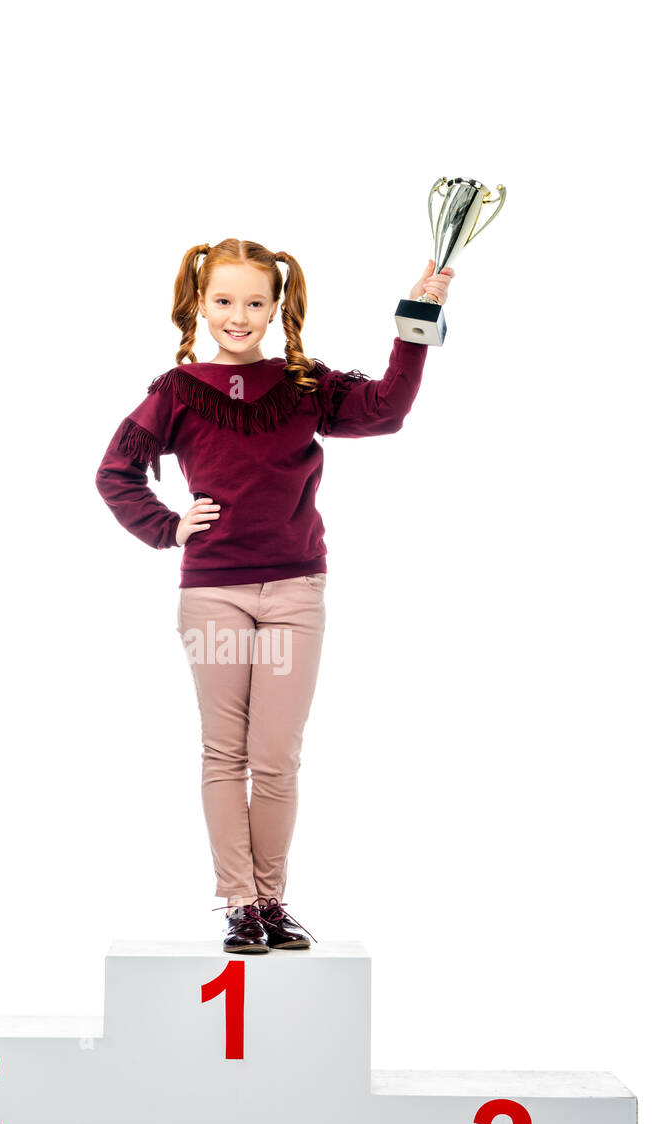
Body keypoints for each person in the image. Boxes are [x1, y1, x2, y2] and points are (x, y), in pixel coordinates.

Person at [96, 240, 453, 954]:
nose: (238, 316)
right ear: (200, 304)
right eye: (223, 301)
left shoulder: (301, 382)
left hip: (294, 590)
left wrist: (416, 321)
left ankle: (270, 899)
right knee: (223, 752)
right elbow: (115, 473)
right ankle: (239, 904)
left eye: (254, 302)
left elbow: (383, 411)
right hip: (213, 596)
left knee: (277, 755)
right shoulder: (177, 389)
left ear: (276, 307)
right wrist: (168, 528)